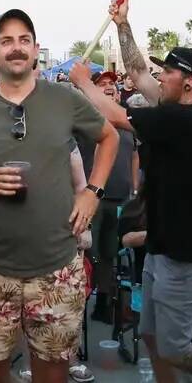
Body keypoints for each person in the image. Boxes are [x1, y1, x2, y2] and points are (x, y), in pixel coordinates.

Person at [0, 9, 118, 383]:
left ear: (36, 50)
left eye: (24, 40)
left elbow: (111, 136)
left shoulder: (64, 99)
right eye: (6, 41)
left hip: (57, 269)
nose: (16, 48)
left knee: (53, 375)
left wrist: (92, 192)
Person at [70, 1, 192, 383]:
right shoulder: (180, 110)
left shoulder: (180, 119)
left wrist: (83, 82)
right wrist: (123, 25)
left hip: (185, 253)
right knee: (150, 335)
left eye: (170, 72)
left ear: (189, 82)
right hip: (163, 245)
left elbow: (114, 116)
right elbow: (138, 73)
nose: (160, 78)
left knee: (175, 345)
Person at [68, 67, 138, 326]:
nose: (110, 86)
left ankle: (105, 303)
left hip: (121, 198)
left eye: (113, 83)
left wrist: (134, 187)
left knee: (110, 254)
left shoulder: (128, 122)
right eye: (102, 84)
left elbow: (133, 154)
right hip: (94, 199)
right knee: (91, 254)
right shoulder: (86, 121)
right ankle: (80, 304)